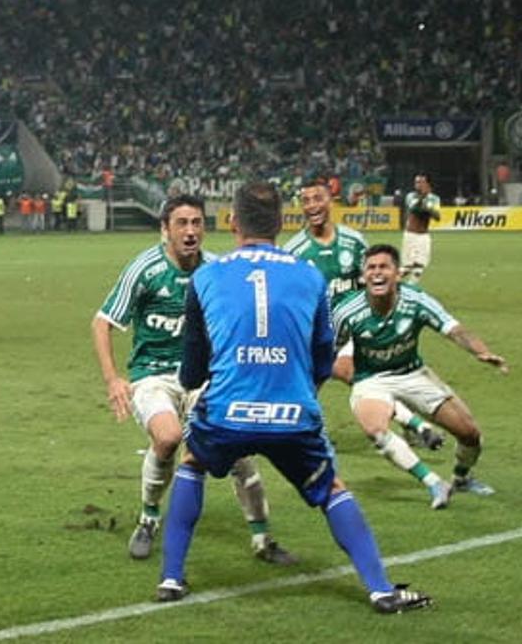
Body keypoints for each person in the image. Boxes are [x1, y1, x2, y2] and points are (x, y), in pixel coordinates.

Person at [155, 180, 429, 614]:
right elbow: (325, 355)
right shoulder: (309, 276)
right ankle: (380, 589)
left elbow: (192, 368)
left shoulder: (206, 276)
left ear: (232, 222)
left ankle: (171, 578)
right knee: (331, 489)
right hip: (293, 413)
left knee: (193, 463)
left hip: (228, 412)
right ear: (282, 223)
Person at [90, 194, 295, 564]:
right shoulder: (146, 268)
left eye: (197, 223)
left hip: (204, 377)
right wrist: (113, 380)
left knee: (239, 449)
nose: (190, 231)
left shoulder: (216, 271)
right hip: (153, 377)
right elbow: (103, 321)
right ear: (164, 229)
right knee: (167, 438)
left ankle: (263, 538)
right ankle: (149, 518)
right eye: (181, 224)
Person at [333, 244, 507, 509]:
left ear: (398, 274)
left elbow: (453, 329)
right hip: (371, 380)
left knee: (470, 435)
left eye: (384, 267)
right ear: (362, 275)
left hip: (413, 374)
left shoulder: (415, 300)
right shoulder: (348, 311)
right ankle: (434, 483)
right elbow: (326, 349)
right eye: (371, 268)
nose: (377, 273)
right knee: (376, 430)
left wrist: (481, 352)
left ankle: (461, 478)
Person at [284, 182, 442, 448]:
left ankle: (415, 424)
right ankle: (306, 435)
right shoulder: (294, 251)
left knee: (355, 373)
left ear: (330, 201)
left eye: (317, 198)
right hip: (315, 333)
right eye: (306, 200)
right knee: (304, 392)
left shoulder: (354, 242)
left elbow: (373, 281)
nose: (312, 205)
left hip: (353, 328)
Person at [400, 174, 442, 283]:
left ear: (427, 184)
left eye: (421, 182)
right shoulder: (411, 196)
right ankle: (390, 284)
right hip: (411, 235)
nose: (417, 185)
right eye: (416, 182)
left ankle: (410, 289)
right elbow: (413, 208)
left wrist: (428, 206)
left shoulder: (434, 198)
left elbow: (437, 216)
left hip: (424, 236)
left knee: (420, 266)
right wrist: (423, 200)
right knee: (407, 268)